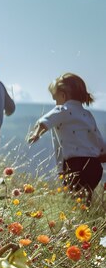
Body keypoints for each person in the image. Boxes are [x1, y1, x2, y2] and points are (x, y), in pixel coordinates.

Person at [28, 73, 106, 204]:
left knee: (74, 198)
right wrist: (103, 153)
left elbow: (44, 121)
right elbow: (95, 134)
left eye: (55, 98)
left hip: (75, 164)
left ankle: (79, 220)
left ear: (63, 95)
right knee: (85, 196)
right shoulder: (87, 114)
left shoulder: (61, 109)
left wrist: (36, 133)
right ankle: (86, 216)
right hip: (94, 166)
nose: (55, 102)